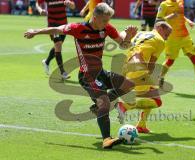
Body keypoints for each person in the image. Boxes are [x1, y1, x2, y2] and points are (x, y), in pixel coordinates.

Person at [24, 3, 138, 149]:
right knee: (104, 103)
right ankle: (106, 139)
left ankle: (99, 107)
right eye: (104, 20)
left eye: (108, 20)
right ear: (95, 18)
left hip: (101, 73)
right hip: (87, 76)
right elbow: (57, 29)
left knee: (129, 85)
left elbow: (123, 45)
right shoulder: (78, 28)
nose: (107, 23)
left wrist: (128, 37)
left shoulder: (106, 28)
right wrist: (35, 31)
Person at [115, 20, 172, 133]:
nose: (167, 37)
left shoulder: (140, 33)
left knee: (153, 93)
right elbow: (151, 64)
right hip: (138, 69)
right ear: (160, 28)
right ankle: (124, 106)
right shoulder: (160, 41)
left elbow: (122, 38)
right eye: (167, 33)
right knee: (157, 101)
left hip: (126, 67)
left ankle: (141, 125)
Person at [156, 0, 195, 94]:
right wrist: (171, 16)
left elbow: (180, 15)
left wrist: (188, 21)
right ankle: (160, 77)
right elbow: (159, 20)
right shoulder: (164, 4)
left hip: (185, 36)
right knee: (170, 61)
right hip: (172, 38)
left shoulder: (180, 1)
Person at [36, 0, 75, 79]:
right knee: (58, 44)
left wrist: (70, 4)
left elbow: (73, 6)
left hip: (63, 25)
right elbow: (37, 3)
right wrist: (40, 10)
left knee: (57, 47)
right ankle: (62, 72)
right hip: (52, 25)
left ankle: (46, 62)